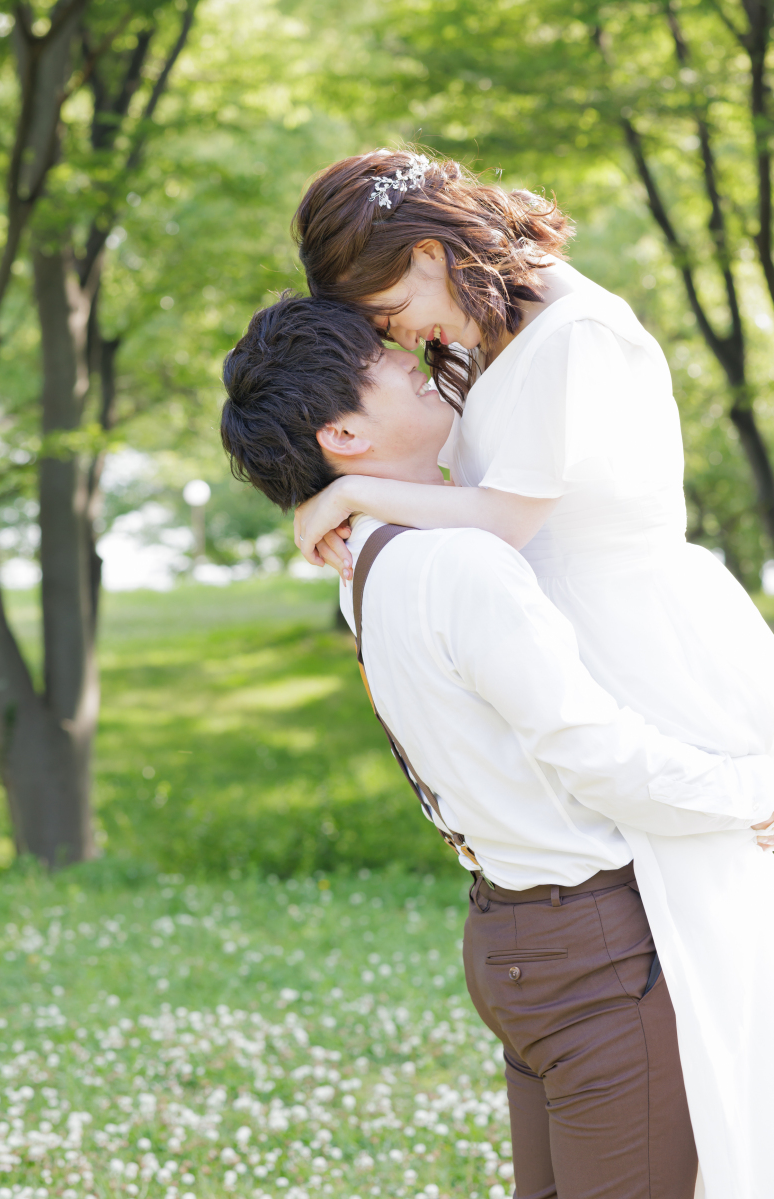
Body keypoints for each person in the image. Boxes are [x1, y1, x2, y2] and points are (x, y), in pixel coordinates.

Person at [288, 150, 774, 1199]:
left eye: (386, 304)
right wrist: (363, 490)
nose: (396, 333)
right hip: (567, 639)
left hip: (645, 642)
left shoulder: (575, 330)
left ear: (428, 251)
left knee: (720, 974)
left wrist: (348, 494)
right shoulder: (473, 327)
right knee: (686, 981)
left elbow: (505, 516)